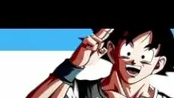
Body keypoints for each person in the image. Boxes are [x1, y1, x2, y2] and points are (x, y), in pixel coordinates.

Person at [27, 27, 172, 98]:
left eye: (145, 56)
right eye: (127, 53)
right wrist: (74, 65)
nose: (134, 61)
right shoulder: (78, 92)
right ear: (112, 51)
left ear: (158, 64)